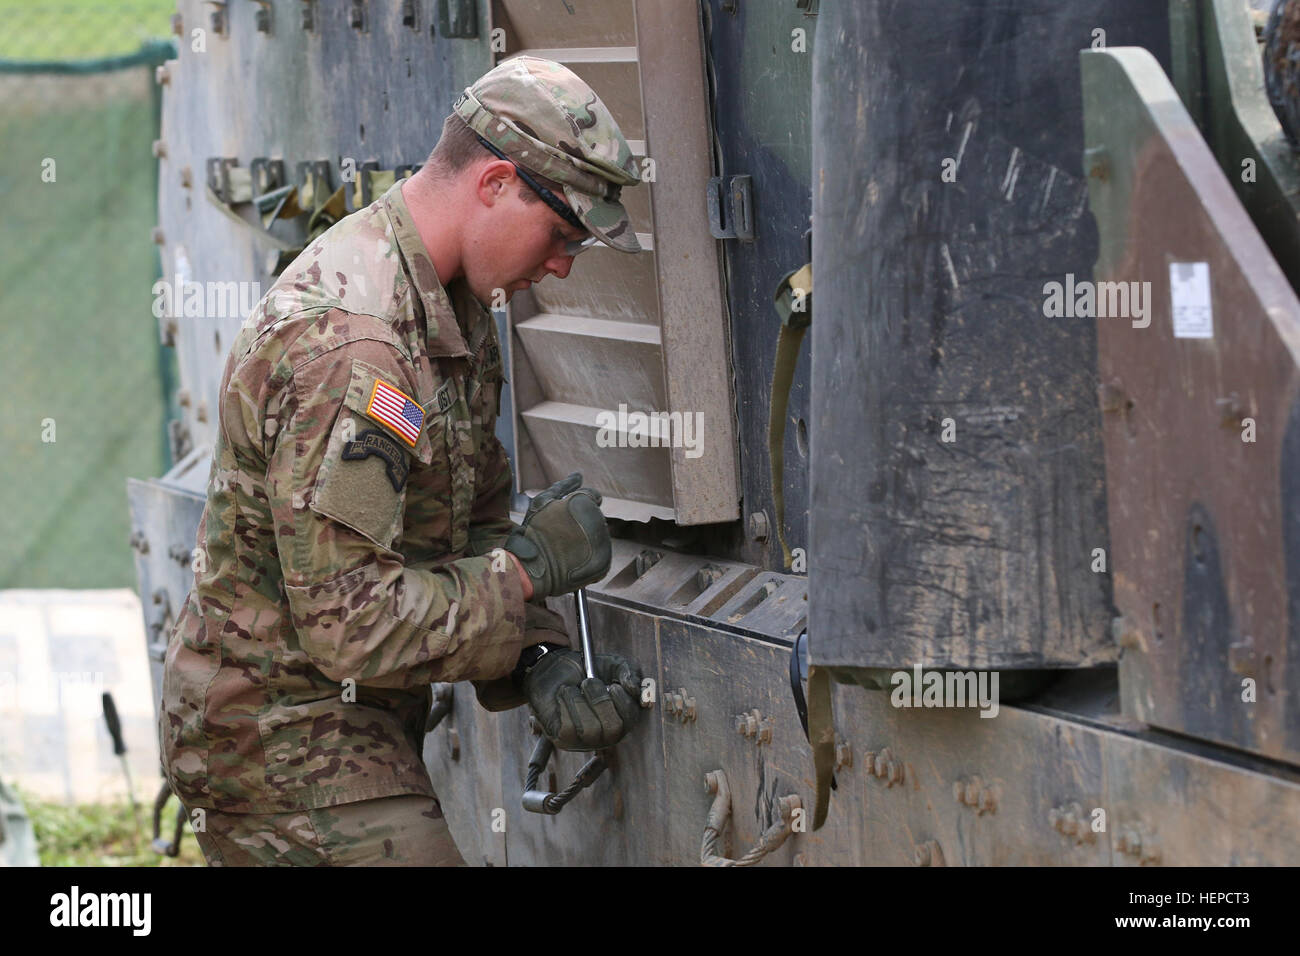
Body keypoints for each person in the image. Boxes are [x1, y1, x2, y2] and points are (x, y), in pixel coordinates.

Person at [158, 56, 644, 866]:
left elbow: (469, 521)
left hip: (345, 731)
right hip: (276, 741)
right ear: (494, 184)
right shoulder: (359, 345)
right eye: (563, 234)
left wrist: (540, 659)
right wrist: (526, 574)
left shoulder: (450, 312)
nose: (562, 263)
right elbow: (348, 622)